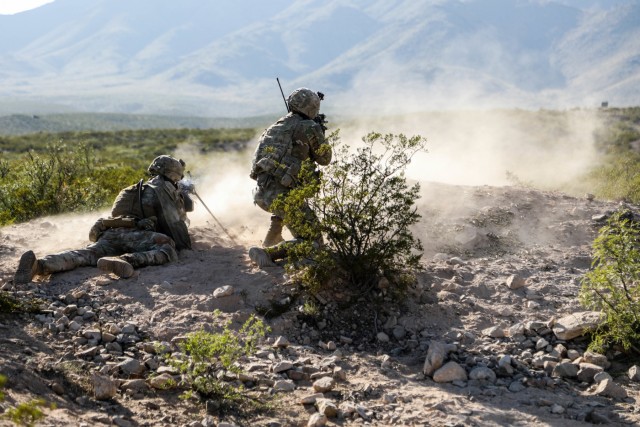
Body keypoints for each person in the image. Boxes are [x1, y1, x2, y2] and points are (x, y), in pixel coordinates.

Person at [14, 155, 194, 283]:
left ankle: (39, 265)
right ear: (173, 176)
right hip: (137, 236)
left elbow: (117, 214)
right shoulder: (164, 190)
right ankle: (126, 260)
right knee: (167, 248)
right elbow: (177, 229)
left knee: (84, 255)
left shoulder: (131, 189)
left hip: (111, 233)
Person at [248, 87, 332, 268]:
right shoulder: (309, 126)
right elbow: (325, 159)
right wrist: (319, 134)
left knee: (290, 195)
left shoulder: (276, 126)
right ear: (312, 107)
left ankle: (272, 238)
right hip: (283, 197)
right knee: (314, 244)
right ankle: (267, 254)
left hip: (262, 194)